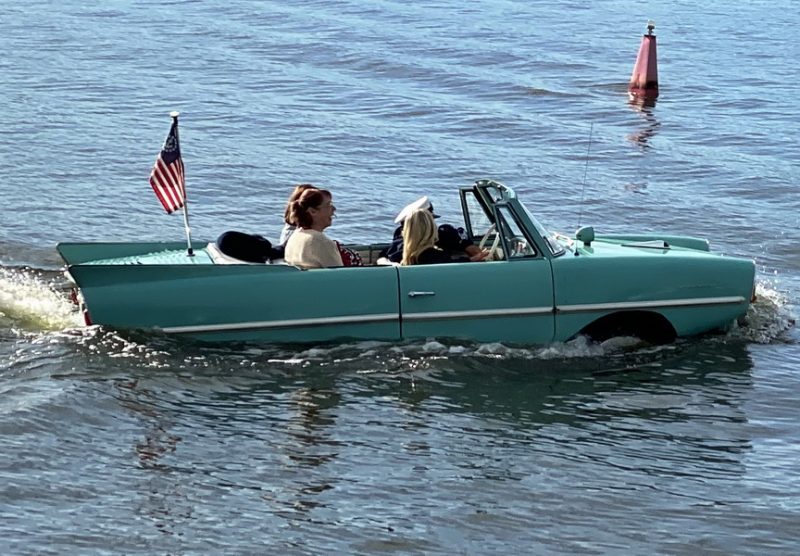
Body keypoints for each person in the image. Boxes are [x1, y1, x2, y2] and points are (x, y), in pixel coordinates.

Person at [381, 196, 487, 263]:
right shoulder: (432, 254)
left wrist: (390, 264)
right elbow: (448, 264)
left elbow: (383, 255)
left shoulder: (400, 251)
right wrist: (474, 259)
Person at [284, 188, 344, 269]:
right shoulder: (320, 241)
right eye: (328, 205)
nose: (334, 209)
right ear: (312, 211)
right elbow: (340, 276)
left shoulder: (296, 235)